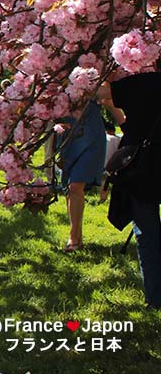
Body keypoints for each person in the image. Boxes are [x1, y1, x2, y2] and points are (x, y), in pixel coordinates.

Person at [106, 71, 161, 310]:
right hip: (147, 166)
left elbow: (100, 90)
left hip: (143, 169)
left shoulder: (140, 82)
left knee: (148, 235)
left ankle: (155, 298)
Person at [58, 87, 123, 252]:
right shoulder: (54, 77)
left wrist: (126, 124)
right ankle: (77, 237)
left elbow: (108, 98)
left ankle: (73, 238)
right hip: (67, 135)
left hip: (91, 137)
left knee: (76, 185)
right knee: (70, 186)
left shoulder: (93, 74)